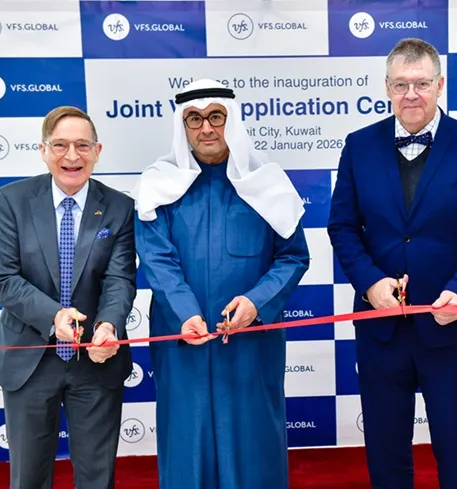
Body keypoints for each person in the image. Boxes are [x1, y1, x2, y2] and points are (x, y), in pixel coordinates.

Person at [328, 38, 457, 489]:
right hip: (380, 326)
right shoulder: (358, 146)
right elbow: (343, 227)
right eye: (401, 85)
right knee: (386, 449)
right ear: (387, 87)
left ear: (440, 85)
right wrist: (370, 284)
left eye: (422, 84)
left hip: (451, 325)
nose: (411, 94)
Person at [131, 79, 310, 489]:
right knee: (186, 442)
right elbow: (157, 260)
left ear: (234, 121)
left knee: (252, 442)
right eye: (195, 119)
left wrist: (256, 302)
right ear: (183, 126)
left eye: (216, 116)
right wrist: (186, 314)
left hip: (250, 342)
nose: (207, 128)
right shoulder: (158, 185)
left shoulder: (267, 184)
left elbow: (293, 257)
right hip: (182, 340)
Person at [0, 106, 136, 488]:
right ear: (43, 150)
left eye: (83, 145)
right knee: (29, 479)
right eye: (60, 145)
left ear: (97, 151)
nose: (72, 156)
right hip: (29, 360)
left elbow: (119, 278)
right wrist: (54, 317)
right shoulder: (12, 201)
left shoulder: (120, 207)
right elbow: (2, 278)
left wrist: (108, 326)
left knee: (97, 479)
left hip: (97, 361)